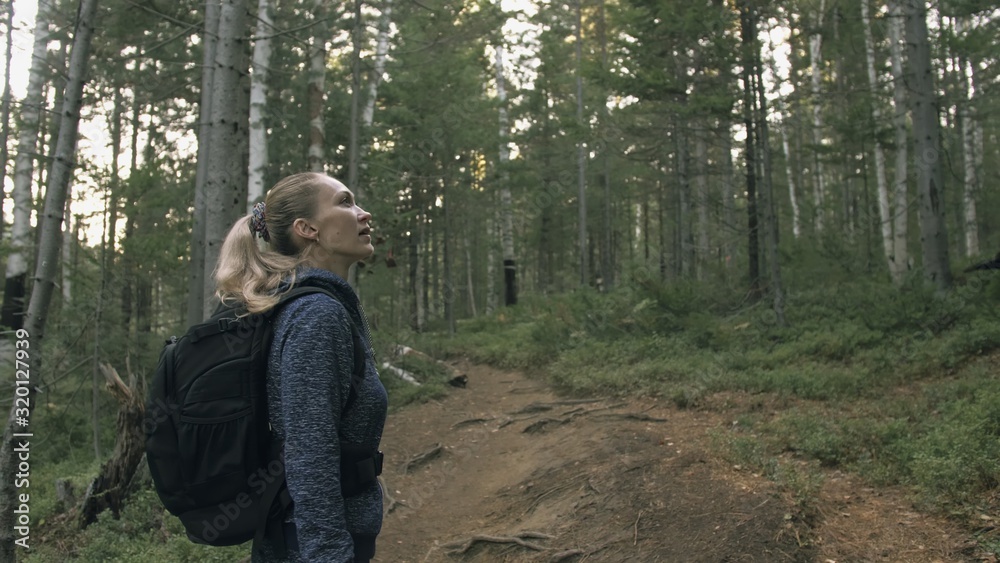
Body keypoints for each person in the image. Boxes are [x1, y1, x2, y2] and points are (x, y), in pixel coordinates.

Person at [214, 172, 388, 562]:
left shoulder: (314, 303)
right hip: (310, 543)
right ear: (307, 228)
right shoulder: (316, 315)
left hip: (305, 534)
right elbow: (310, 448)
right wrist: (328, 552)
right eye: (345, 202)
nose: (363, 213)